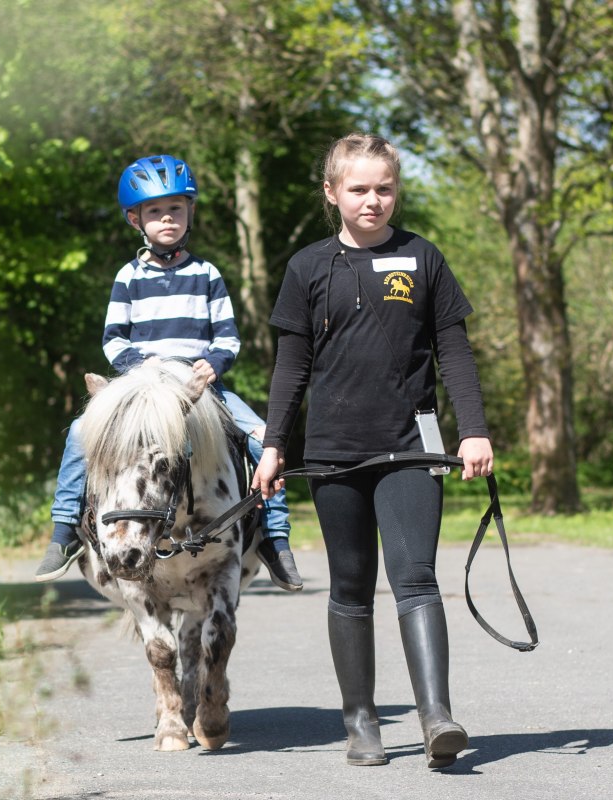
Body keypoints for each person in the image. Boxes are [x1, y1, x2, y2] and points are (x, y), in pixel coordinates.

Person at [252, 133, 494, 769]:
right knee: (352, 586)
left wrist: (473, 428)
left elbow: (455, 352)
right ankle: (361, 723)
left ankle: (437, 716)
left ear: (396, 190)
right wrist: (275, 444)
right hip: (333, 452)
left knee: (416, 577)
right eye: (358, 189)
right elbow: (292, 366)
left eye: (384, 188)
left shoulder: (423, 258)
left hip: (411, 445)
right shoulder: (307, 267)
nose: (373, 200)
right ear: (332, 194)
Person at [36, 154, 301, 591]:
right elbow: (114, 339)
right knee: (81, 432)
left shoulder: (207, 274)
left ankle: (276, 537)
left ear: (190, 212)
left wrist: (212, 365)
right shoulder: (128, 277)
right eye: (155, 211)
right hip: (144, 387)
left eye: (175, 208)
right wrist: (138, 368)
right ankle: (65, 528)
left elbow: (228, 339)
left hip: (199, 387)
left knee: (261, 438)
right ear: (134, 219)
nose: (167, 219)